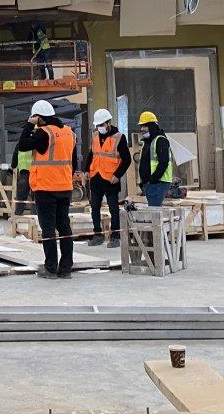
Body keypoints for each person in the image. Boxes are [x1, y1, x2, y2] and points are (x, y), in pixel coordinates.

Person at [15, 99, 78, 279]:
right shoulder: (69, 133)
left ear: (39, 118)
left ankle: (51, 268)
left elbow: (23, 145)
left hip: (46, 188)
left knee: (49, 229)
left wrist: (28, 125)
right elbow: (72, 162)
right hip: (64, 187)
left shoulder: (44, 133)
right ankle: (66, 268)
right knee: (64, 227)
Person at [86, 108, 130, 248]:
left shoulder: (119, 137)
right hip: (96, 177)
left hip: (111, 178)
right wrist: (86, 170)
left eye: (102, 125)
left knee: (113, 208)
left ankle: (115, 236)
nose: (100, 128)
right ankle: (97, 234)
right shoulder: (94, 136)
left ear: (108, 123)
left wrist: (118, 175)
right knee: (95, 207)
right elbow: (91, 155)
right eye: (98, 125)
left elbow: (127, 159)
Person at [136, 111, 173, 207]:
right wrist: (143, 182)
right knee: (154, 210)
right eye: (141, 126)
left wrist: (153, 179)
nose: (142, 129)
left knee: (154, 211)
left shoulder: (160, 140)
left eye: (145, 126)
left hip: (158, 183)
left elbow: (164, 162)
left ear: (152, 126)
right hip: (150, 184)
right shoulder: (146, 142)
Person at [10, 141, 33, 216]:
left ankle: (17, 217)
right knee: (35, 199)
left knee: (21, 198)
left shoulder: (19, 144)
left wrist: (13, 166)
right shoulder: (36, 143)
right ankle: (36, 218)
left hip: (24, 174)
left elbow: (13, 164)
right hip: (35, 174)